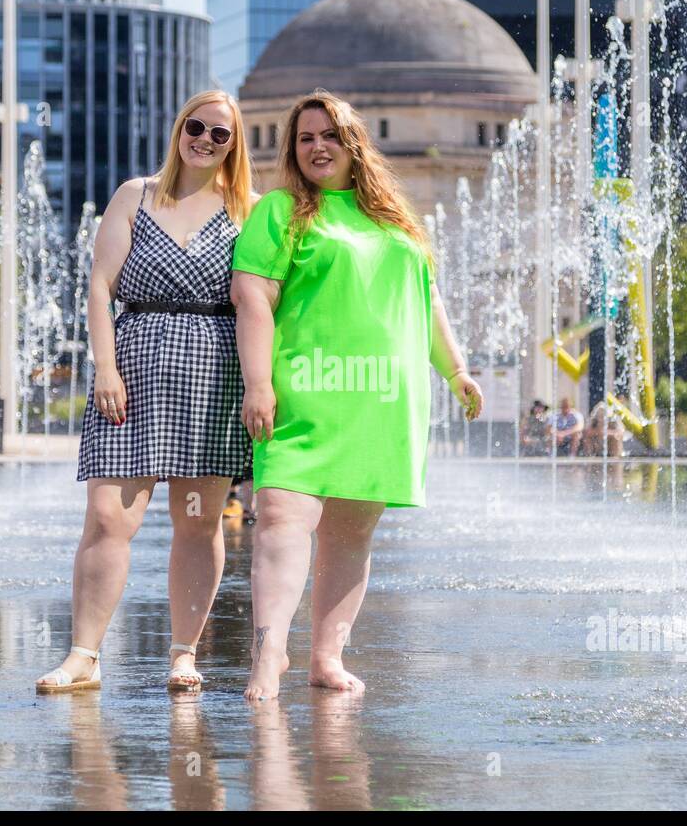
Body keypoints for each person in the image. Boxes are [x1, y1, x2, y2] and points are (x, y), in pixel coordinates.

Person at [230, 90, 483, 701]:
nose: (318, 147)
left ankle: (326, 657)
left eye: (330, 136)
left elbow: (428, 304)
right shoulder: (282, 211)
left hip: (380, 399)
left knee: (351, 533)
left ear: (355, 144)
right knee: (282, 521)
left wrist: (456, 372)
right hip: (306, 393)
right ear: (293, 149)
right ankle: (269, 656)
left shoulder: (397, 220)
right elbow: (252, 296)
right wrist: (258, 384)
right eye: (306, 138)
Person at [36, 89, 254, 694]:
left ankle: (184, 653)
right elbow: (101, 287)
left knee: (199, 521)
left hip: (213, 370)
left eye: (221, 134)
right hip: (131, 366)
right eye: (197, 126)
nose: (205, 140)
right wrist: (104, 367)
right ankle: (84, 656)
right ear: (178, 127)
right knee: (108, 516)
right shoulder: (135, 194)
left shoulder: (249, 209)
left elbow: (263, 303)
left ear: (234, 146)